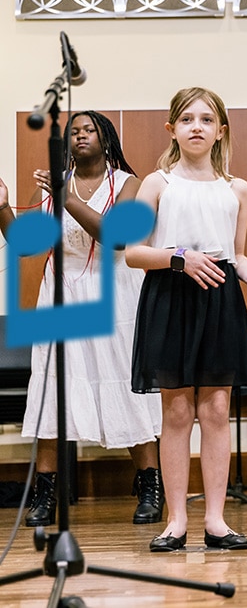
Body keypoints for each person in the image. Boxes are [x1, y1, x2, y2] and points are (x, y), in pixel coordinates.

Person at [125, 88, 247, 553]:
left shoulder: (237, 189)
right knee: (176, 411)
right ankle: (176, 521)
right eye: (187, 119)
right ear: (171, 128)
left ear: (221, 131)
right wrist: (179, 258)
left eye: (207, 119)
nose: (197, 126)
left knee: (216, 410)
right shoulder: (157, 184)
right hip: (170, 296)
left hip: (219, 297)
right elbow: (135, 254)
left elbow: (235, 254)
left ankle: (215, 520)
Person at [0, 111, 163, 527]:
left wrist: (65, 195)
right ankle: (45, 495)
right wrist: (2, 209)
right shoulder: (58, 183)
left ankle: (149, 486)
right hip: (60, 295)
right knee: (54, 390)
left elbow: (118, 237)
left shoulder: (129, 184)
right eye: (73, 132)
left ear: (106, 139)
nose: (80, 136)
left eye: (89, 130)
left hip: (115, 297)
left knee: (128, 390)